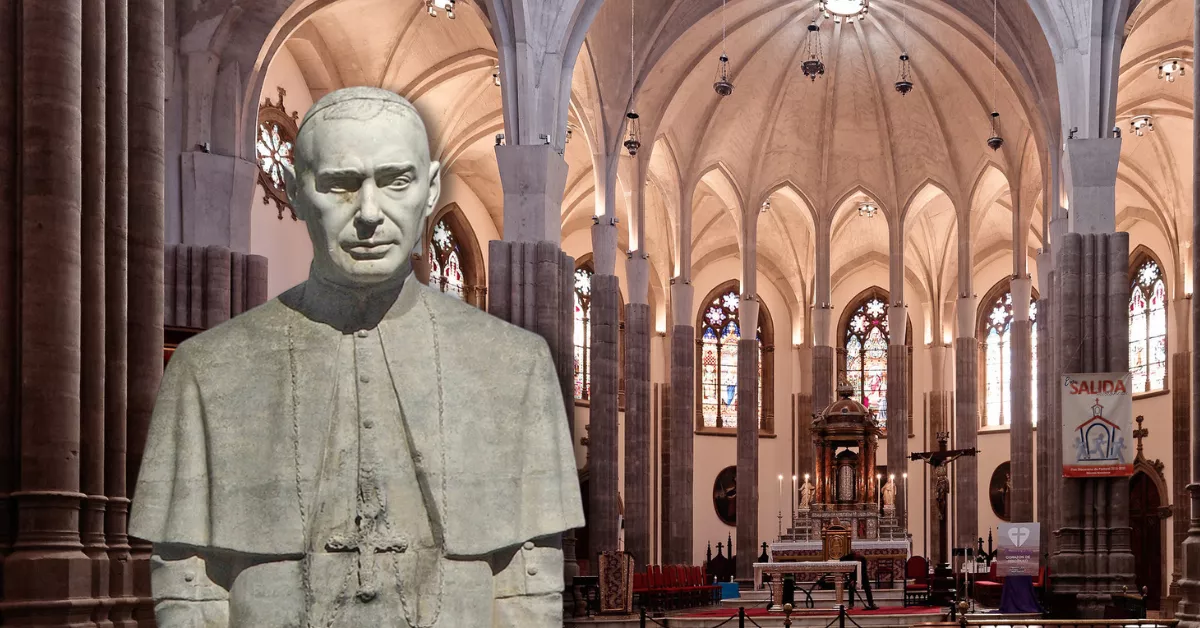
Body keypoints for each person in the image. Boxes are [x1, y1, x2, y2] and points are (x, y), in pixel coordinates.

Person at [129, 87, 584, 627]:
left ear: (431, 188)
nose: (370, 213)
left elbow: (527, 584)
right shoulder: (205, 372)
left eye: (397, 181)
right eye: (341, 185)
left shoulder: (517, 367)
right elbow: (189, 584)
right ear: (298, 193)